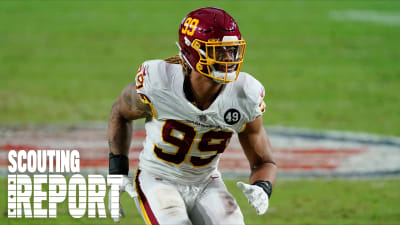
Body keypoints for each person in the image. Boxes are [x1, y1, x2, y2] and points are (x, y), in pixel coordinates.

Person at [108, 7, 277, 225]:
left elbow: (264, 161)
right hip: (158, 178)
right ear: (193, 52)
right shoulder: (159, 83)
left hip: (207, 182)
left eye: (232, 50)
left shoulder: (245, 94)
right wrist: (117, 171)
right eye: (218, 51)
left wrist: (262, 187)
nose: (228, 58)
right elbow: (120, 113)